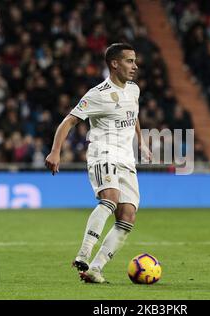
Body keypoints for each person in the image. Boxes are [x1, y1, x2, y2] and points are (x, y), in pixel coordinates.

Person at [45, 43, 151, 283]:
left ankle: (95, 269)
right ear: (114, 64)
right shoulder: (98, 94)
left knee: (128, 216)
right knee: (110, 199)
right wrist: (55, 152)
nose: (135, 66)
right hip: (103, 152)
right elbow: (68, 122)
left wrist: (142, 142)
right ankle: (84, 252)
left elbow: (132, 115)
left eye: (134, 61)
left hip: (126, 158)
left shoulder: (134, 90)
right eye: (129, 61)